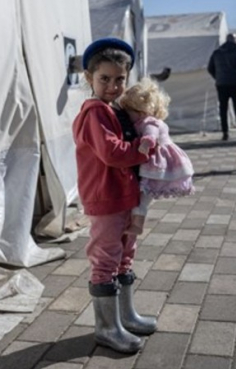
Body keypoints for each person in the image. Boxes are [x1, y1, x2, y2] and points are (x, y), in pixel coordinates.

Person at [73, 38, 157, 354]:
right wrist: (144, 150)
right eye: (104, 78)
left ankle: (126, 316)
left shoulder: (116, 109)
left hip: (124, 195)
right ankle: (107, 328)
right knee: (105, 258)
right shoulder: (94, 112)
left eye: (119, 79)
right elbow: (112, 153)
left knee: (125, 253)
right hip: (104, 197)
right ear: (89, 78)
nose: (112, 85)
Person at [119, 79, 195, 235]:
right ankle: (137, 224)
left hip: (158, 164)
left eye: (129, 112)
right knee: (143, 197)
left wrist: (145, 144)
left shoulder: (149, 122)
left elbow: (150, 135)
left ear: (140, 112)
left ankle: (137, 226)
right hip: (161, 163)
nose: (128, 116)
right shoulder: (151, 120)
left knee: (142, 197)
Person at [207, 33, 236, 140]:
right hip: (235, 83)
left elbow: (210, 68)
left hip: (221, 84)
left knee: (223, 109)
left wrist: (218, 77)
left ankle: (225, 132)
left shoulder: (217, 53)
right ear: (234, 40)